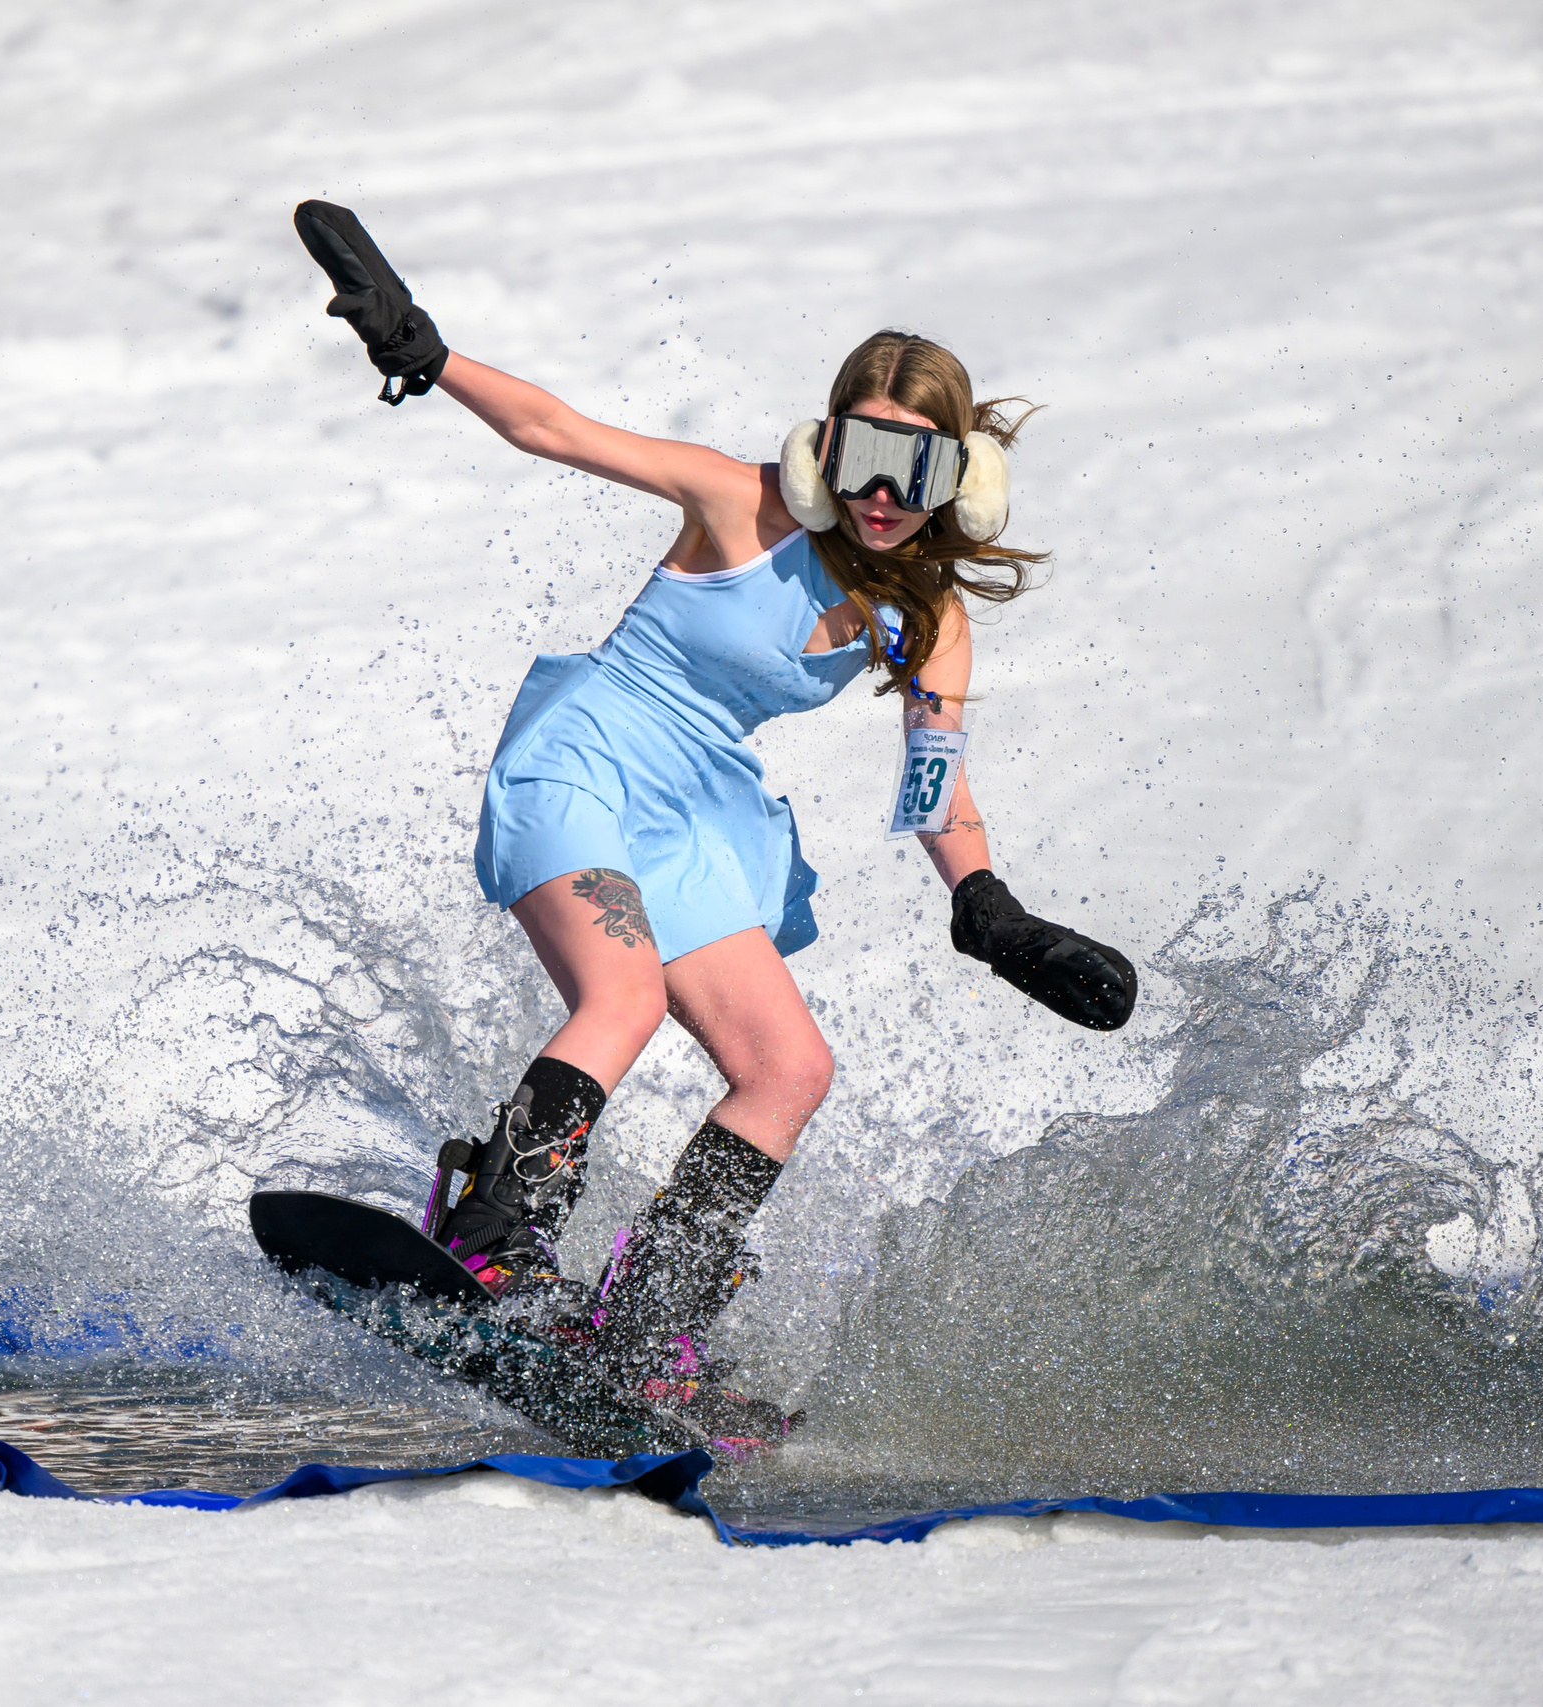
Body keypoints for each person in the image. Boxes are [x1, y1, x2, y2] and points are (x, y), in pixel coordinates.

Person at [296, 202, 1136, 1428]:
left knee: (788, 1068)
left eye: (920, 468)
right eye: (864, 459)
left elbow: (933, 783)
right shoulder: (743, 505)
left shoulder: (929, 616)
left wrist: (990, 912)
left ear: (964, 478)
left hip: (699, 816)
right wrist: (422, 352)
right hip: (587, 763)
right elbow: (556, 430)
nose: (886, 495)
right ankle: (489, 1235)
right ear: (823, 451)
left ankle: (643, 1325)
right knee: (623, 995)